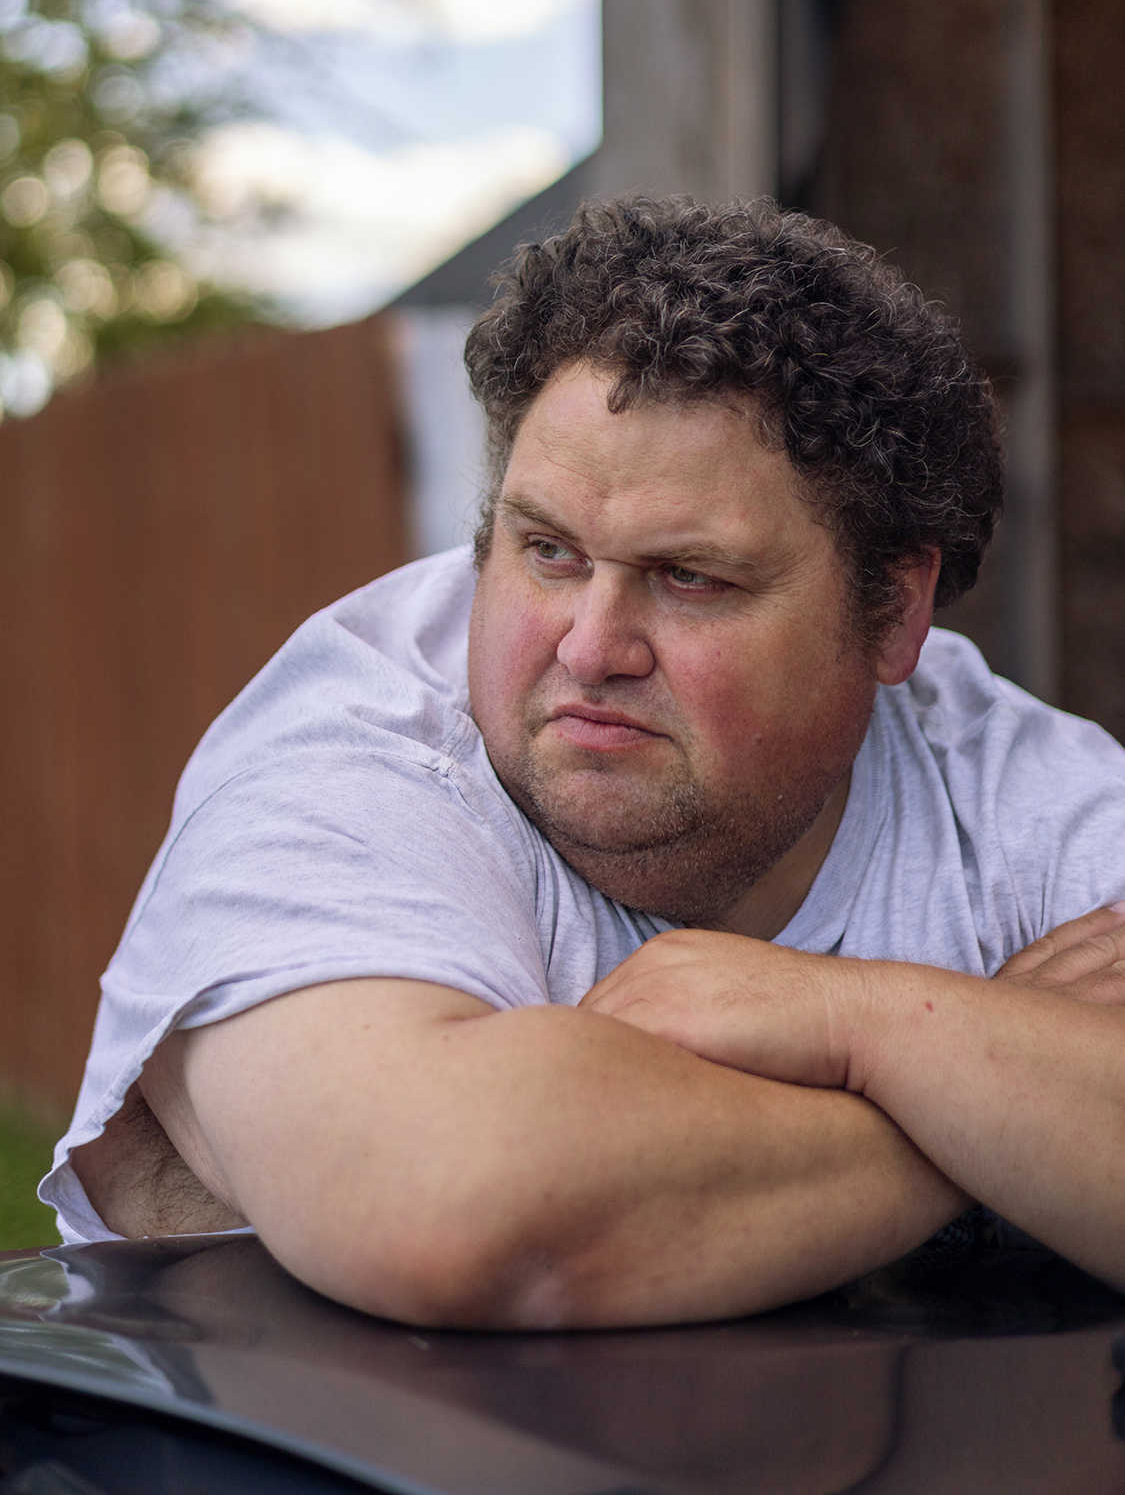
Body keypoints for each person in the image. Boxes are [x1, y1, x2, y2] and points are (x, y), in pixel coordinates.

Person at [43, 199, 1125, 1329]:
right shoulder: (350, 759)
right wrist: (970, 1073)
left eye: (690, 576)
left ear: (896, 605)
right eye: (548, 551)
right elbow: (463, 1208)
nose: (591, 645)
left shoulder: (997, 784)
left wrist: (857, 1014)